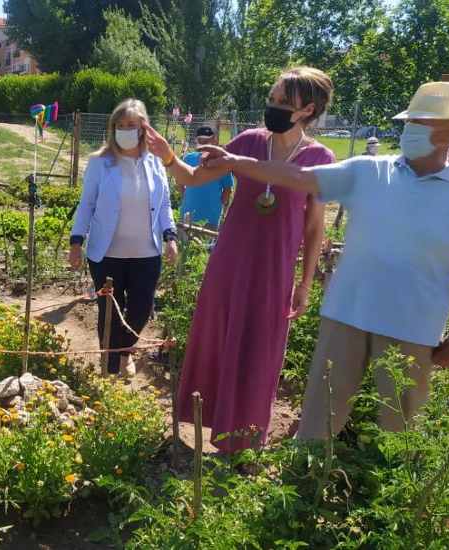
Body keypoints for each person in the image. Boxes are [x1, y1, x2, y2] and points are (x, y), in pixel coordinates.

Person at [197, 81, 449, 439]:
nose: (409, 131)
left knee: (399, 425)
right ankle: (304, 483)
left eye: (422, 123)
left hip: (412, 325)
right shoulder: (370, 171)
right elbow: (297, 176)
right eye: (409, 122)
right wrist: (236, 162)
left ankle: (388, 495)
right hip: (346, 314)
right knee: (320, 416)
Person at [144, 67, 336, 453]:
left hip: (274, 270)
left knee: (260, 350)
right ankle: (203, 423)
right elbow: (193, 178)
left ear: (308, 109)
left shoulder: (320, 157)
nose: (273, 107)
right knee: (215, 338)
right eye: (272, 98)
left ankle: (244, 442)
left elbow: (315, 227)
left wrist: (304, 281)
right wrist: (167, 156)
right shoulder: (247, 142)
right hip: (229, 263)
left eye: (284, 102)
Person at [69, 98, 178, 377]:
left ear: (143, 128)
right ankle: (109, 364)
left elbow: (164, 203)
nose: (125, 130)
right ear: (112, 128)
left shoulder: (155, 162)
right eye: (120, 125)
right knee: (110, 312)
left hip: (146, 253)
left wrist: (170, 237)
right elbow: (87, 205)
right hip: (107, 255)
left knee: (142, 309)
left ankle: (124, 352)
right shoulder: (100, 163)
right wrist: (76, 242)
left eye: (131, 125)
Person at [180, 126, 234, 230]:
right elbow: (180, 182)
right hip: (188, 216)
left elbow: (228, 190)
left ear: (214, 141)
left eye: (207, 141)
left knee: (206, 245)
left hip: (210, 220)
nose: (204, 144)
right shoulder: (188, 158)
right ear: (196, 140)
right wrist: (186, 198)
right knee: (185, 244)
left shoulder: (221, 162)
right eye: (201, 140)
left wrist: (217, 206)